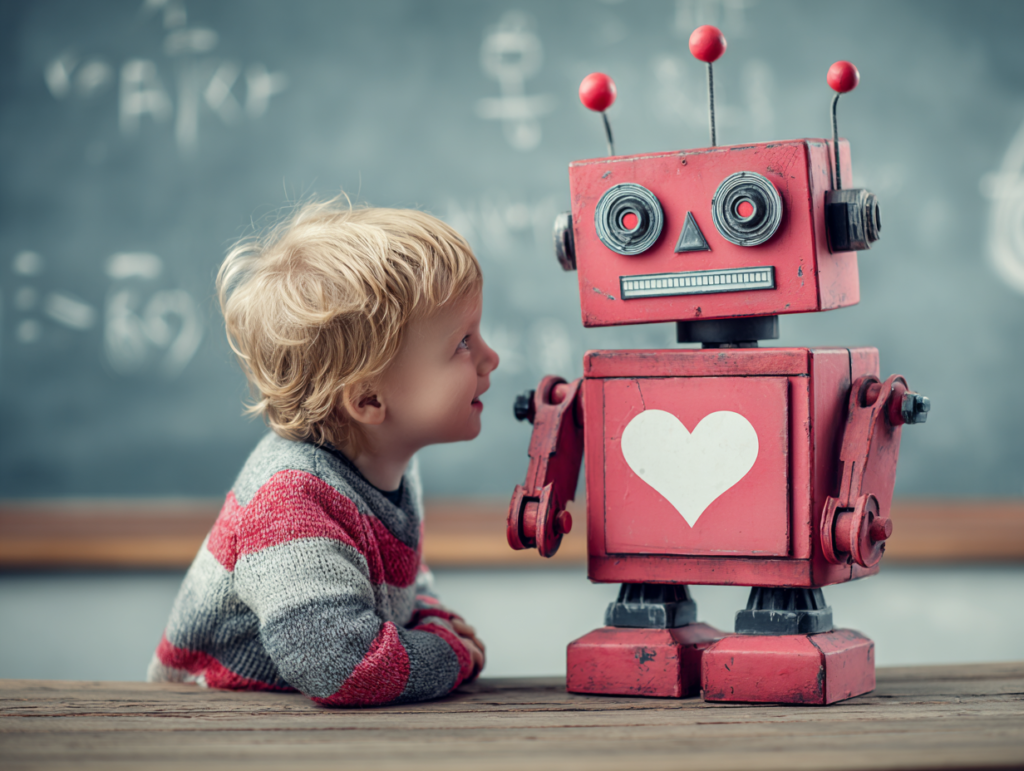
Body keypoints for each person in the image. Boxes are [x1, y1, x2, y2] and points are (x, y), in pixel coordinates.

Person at [147, 199, 499, 706]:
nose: (491, 357)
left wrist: (429, 615)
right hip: (211, 726)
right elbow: (345, 666)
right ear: (369, 400)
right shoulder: (290, 502)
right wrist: (450, 654)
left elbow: (394, 586)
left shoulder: (382, 465)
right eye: (463, 343)